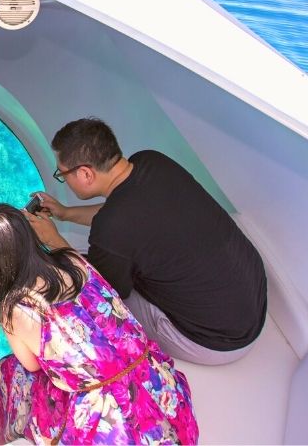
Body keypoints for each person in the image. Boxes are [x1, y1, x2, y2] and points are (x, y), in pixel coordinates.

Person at [0, 204, 198, 444]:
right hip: (160, 393)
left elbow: (31, 366)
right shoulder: (72, 260)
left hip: (115, 423)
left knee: (15, 373)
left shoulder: (16, 309)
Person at [30, 117, 267, 365]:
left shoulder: (112, 227)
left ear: (85, 173)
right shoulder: (152, 161)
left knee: (85, 297)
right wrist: (66, 213)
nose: (63, 179)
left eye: (62, 174)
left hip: (216, 340)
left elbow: (102, 293)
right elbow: (119, 212)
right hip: (252, 298)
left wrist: (54, 241)